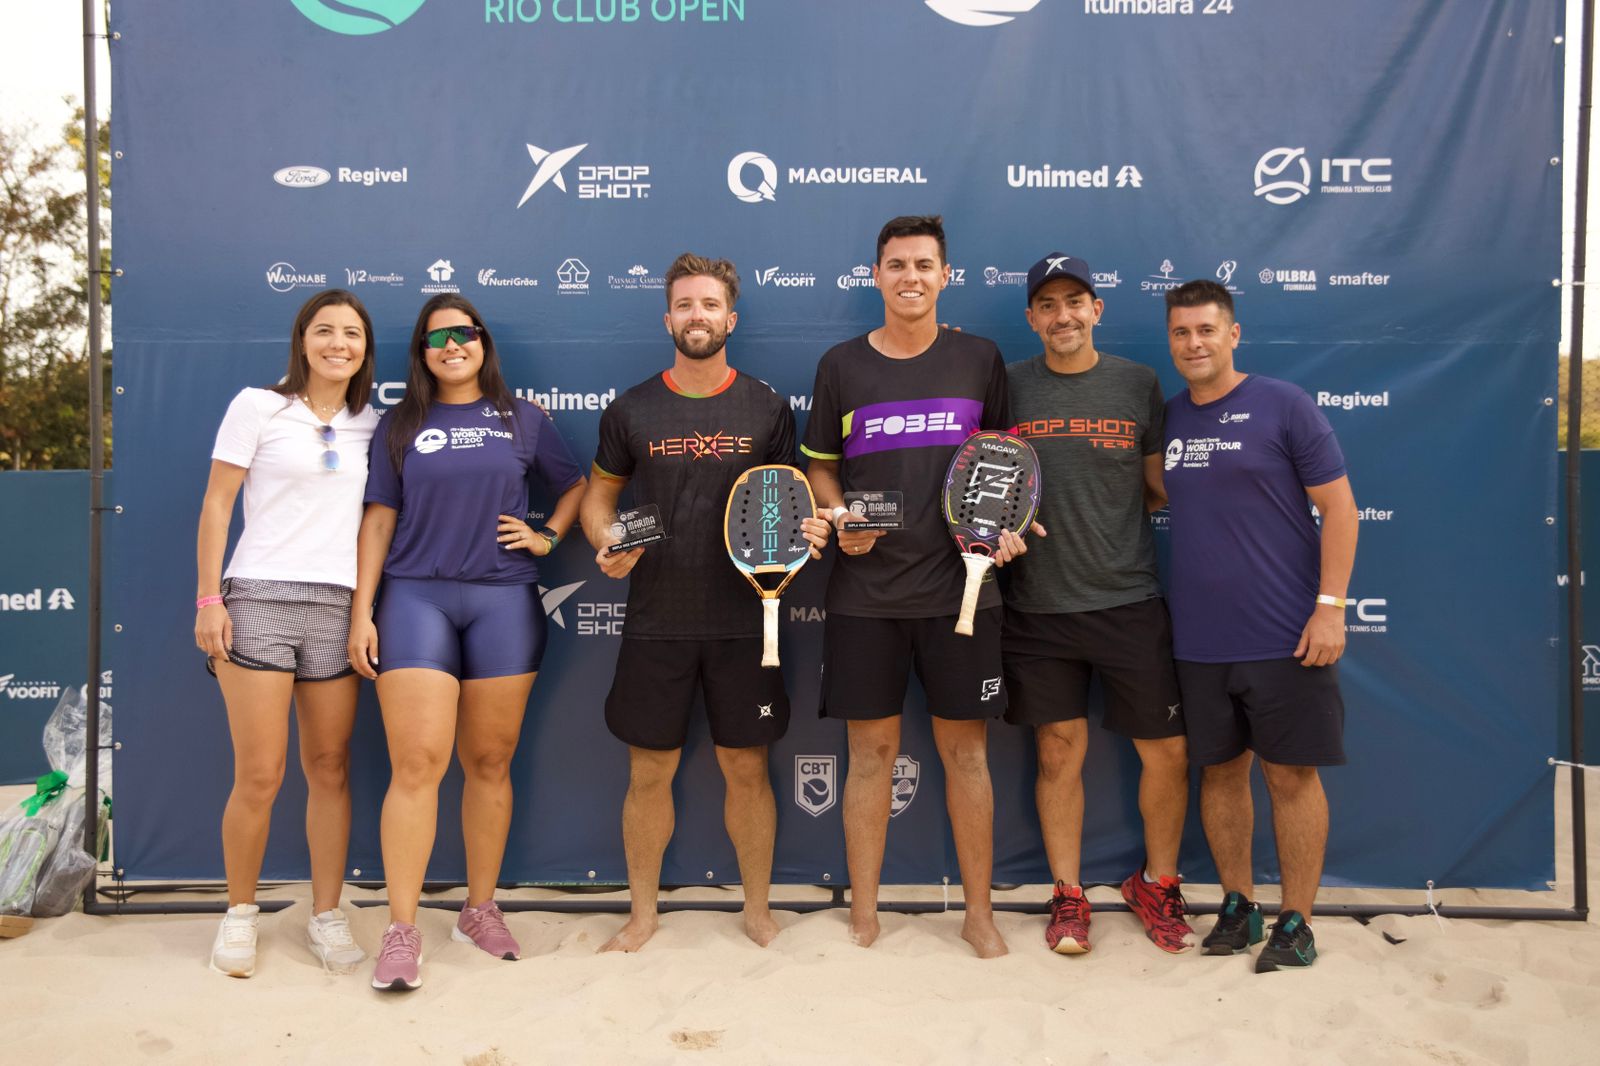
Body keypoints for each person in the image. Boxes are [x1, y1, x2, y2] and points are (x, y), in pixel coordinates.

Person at [579, 252, 830, 953]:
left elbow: (790, 498)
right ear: (668, 318)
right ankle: (642, 915)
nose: (698, 316)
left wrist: (810, 532)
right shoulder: (631, 408)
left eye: (710, 305)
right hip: (656, 619)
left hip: (747, 622)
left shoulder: (765, 407)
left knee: (746, 767)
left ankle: (756, 909)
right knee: (648, 771)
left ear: (731, 318)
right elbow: (600, 498)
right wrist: (605, 542)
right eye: (685, 305)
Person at [348, 294, 586, 991]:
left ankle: (479, 909)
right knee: (417, 763)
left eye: (464, 333)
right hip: (415, 597)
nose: (452, 346)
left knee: (489, 760)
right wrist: (363, 612)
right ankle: (401, 929)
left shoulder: (523, 420)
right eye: (436, 338)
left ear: (482, 342)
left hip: (503, 601)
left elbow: (573, 487)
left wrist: (548, 535)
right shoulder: (400, 425)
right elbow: (378, 523)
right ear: (421, 353)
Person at [801, 215, 1021, 958]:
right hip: (865, 595)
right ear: (876, 276)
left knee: (967, 755)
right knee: (869, 756)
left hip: (964, 592)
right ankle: (865, 912)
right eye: (896, 265)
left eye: (924, 265)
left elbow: (1007, 464)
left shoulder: (980, 359)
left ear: (945, 275)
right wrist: (834, 512)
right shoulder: (840, 365)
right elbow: (821, 465)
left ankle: (979, 914)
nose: (911, 278)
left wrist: (1008, 530)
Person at [1161, 279, 1358, 972]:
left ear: (1233, 333)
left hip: (1285, 637)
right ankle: (1239, 907)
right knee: (1219, 777)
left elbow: (1341, 509)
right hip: (1199, 642)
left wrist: (1329, 608)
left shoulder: (1284, 405)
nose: (1194, 343)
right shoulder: (1170, 419)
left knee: (1291, 779)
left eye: (1207, 330)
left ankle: (1298, 920)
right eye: (1182, 332)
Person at [1004, 253, 1192, 956]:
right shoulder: (1011, 386)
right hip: (1038, 607)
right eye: (1047, 305)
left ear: (1098, 310)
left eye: (1074, 302)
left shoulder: (1137, 384)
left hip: (1128, 598)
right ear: (1031, 318)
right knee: (1058, 753)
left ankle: (1158, 883)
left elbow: (1155, 487)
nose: (1062, 316)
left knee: (1167, 753)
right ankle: (1069, 894)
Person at [194, 288, 380, 978]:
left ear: (366, 349)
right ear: (302, 340)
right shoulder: (257, 407)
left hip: (337, 606)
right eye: (325, 330)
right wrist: (210, 597)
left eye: (353, 333)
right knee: (261, 774)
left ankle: (326, 915)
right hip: (258, 598)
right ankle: (239, 915)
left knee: (329, 770)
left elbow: (376, 523)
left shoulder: (374, 423)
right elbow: (217, 504)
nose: (339, 343)